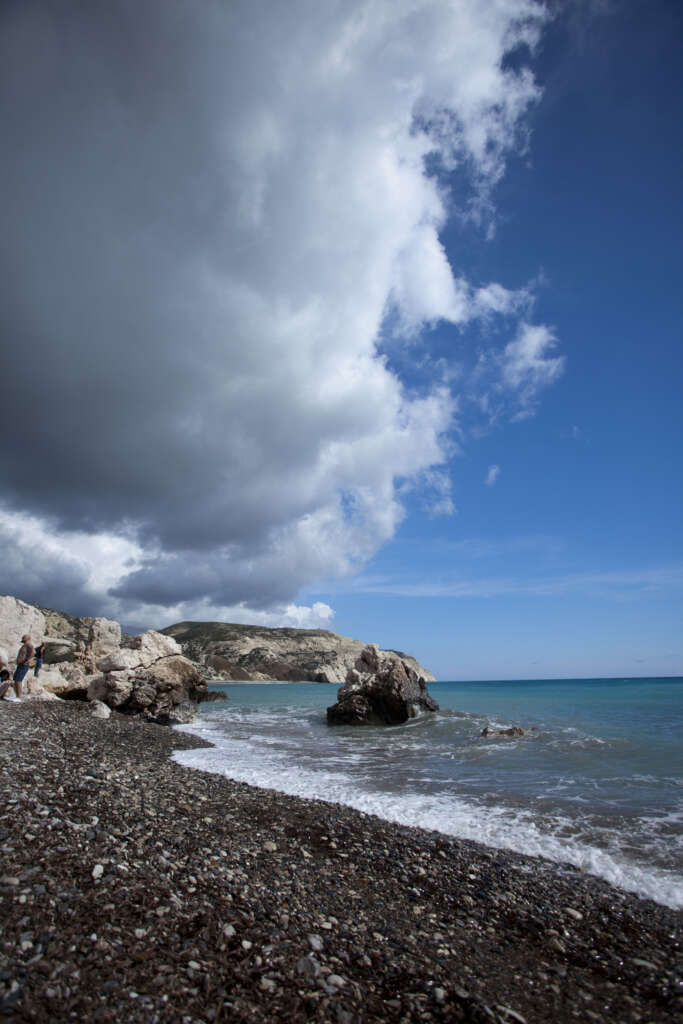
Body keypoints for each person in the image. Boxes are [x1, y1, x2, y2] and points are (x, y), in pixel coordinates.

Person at [12, 634, 34, 700]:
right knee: (16, 679)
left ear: (28, 638)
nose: (23, 639)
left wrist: (26, 660)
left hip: (23, 665)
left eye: (24, 638)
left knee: (18, 680)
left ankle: (19, 697)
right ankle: (17, 695)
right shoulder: (25, 645)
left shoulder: (29, 645)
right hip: (21, 665)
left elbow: (32, 653)